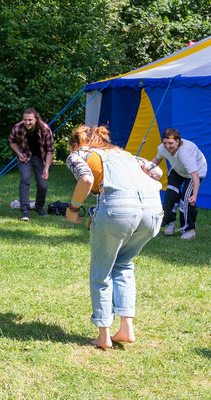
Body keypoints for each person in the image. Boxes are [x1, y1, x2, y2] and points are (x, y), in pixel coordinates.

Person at [65, 125, 163, 349]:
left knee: (101, 271)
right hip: (152, 210)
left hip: (118, 210)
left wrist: (73, 209)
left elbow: (86, 179)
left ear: (75, 143)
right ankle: (126, 329)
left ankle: (103, 335)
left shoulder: (78, 154)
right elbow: (156, 173)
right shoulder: (125, 154)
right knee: (124, 264)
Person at [151, 128, 207, 240]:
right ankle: (170, 223)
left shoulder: (185, 153)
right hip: (178, 169)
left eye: (171, 143)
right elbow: (155, 161)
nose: (167, 146)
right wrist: (143, 170)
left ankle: (189, 230)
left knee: (186, 199)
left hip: (195, 172)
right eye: (165, 143)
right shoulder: (162, 148)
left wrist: (194, 195)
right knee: (170, 194)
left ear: (178, 141)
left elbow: (195, 175)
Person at [8, 107, 54, 220]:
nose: (27, 122)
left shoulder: (45, 130)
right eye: (25, 120)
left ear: (36, 119)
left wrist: (46, 168)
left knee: (42, 185)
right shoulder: (18, 127)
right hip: (25, 157)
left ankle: (39, 207)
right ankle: (24, 210)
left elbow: (50, 151)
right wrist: (18, 153)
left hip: (41, 158)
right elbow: (11, 141)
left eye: (30, 120)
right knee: (25, 180)